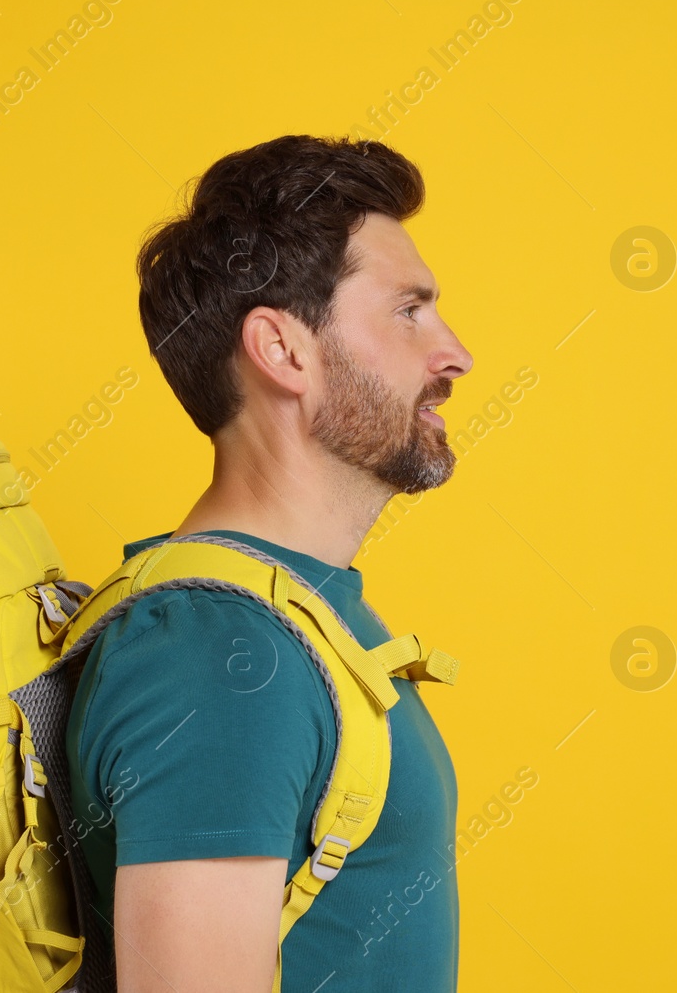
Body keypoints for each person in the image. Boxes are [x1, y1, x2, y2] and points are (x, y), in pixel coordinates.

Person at [65, 134, 475, 992]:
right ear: (284, 351)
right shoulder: (220, 653)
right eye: (408, 311)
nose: (454, 355)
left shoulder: (294, 620)